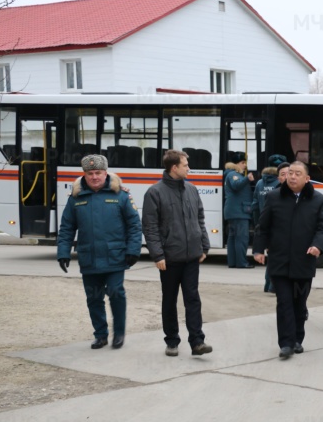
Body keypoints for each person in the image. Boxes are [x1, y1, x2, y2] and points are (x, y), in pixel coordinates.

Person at [57, 154, 142, 349]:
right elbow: (67, 228)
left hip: (115, 257)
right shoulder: (75, 199)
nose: (94, 177)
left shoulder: (120, 195)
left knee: (116, 294)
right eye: (90, 173)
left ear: (106, 173)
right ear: (84, 175)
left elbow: (134, 225)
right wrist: (63, 252)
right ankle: (101, 335)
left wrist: (133, 250)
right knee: (93, 298)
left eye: (98, 173)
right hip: (89, 258)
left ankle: (119, 333)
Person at [253, 161, 323, 360]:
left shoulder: (318, 200)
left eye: (297, 174)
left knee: (299, 303)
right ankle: (286, 343)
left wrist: (318, 246)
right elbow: (263, 225)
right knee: (284, 302)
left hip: (304, 261)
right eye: (290, 174)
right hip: (279, 260)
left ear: (306, 178)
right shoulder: (274, 197)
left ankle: (297, 339)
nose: (293, 177)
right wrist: (258, 249)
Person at [142, 149, 213, 357]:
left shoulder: (192, 189)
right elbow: (150, 226)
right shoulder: (154, 192)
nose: (189, 168)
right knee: (170, 299)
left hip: (192, 256)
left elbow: (200, 219)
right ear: (174, 168)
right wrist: (157, 255)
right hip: (170, 258)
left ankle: (197, 341)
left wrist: (204, 246)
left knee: (193, 298)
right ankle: (172, 340)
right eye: (185, 165)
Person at [252, 158, 289, 293]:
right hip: (274, 232)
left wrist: (256, 224)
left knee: (273, 260)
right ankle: (273, 287)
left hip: (267, 228)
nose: (287, 177)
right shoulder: (275, 191)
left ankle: (268, 286)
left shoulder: (260, 183)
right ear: (278, 175)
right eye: (283, 174)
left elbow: (255, 205)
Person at [223, 153, 254, 269]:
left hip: (234, 211)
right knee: (241, 237)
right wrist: (247, 179)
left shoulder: (231, 174)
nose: (245, 165)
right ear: (236, 164)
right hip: (239, 211)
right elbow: (236, 185)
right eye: (242, 163)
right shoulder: (233, 174)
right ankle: (241, 262)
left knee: (233, 238)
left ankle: (232, 262)